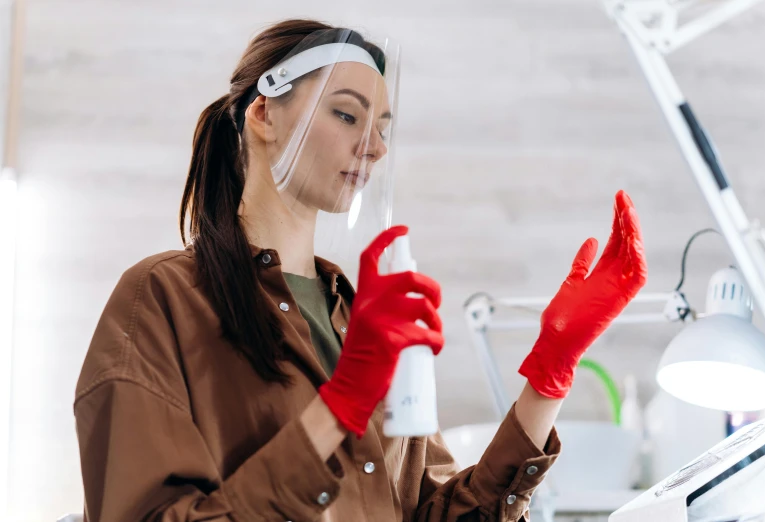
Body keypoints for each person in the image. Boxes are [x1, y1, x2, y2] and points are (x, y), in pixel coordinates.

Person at [74, 19, 647, 522]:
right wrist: (338, 408)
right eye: (347, 114)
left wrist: (547, 378)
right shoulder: (163, 300)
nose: (374, 147)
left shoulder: (357, 317)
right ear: (264, 113)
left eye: (383, 128)